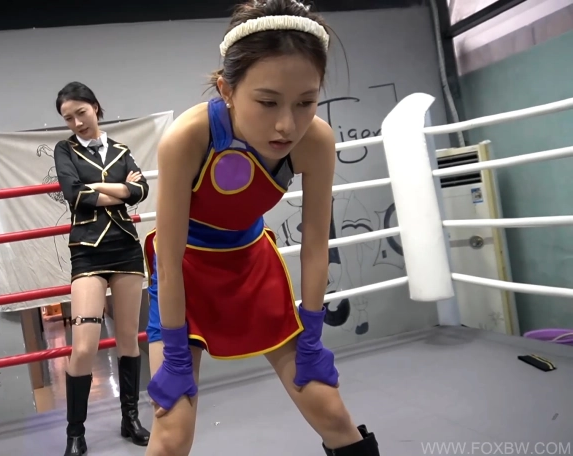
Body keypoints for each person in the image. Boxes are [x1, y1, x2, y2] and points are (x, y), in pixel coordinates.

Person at [142, 1, 381, 455]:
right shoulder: (188, 138)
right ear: (226, 89)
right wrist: (174, 354)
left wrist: (312, 335)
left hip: (253, 267)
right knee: (171, 435)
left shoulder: (315, 141)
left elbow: (316, 246)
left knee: (332, 413)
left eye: (306, 102)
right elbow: (168, 261)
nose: (287, 124)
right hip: (185, 275)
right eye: (267, 102)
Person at [53, 81, 151, 456]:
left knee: (128, 339)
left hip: (126, 248)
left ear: (95, 107)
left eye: (81, 112)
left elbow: (141, 192)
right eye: (68, 118)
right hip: (87, 252)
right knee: (83, 346)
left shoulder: (122, 150)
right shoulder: (65, 149)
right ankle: (74, 433)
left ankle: (130, 419)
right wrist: (119, 189)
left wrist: (101, 187)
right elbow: (74, 194)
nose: (77, 122)